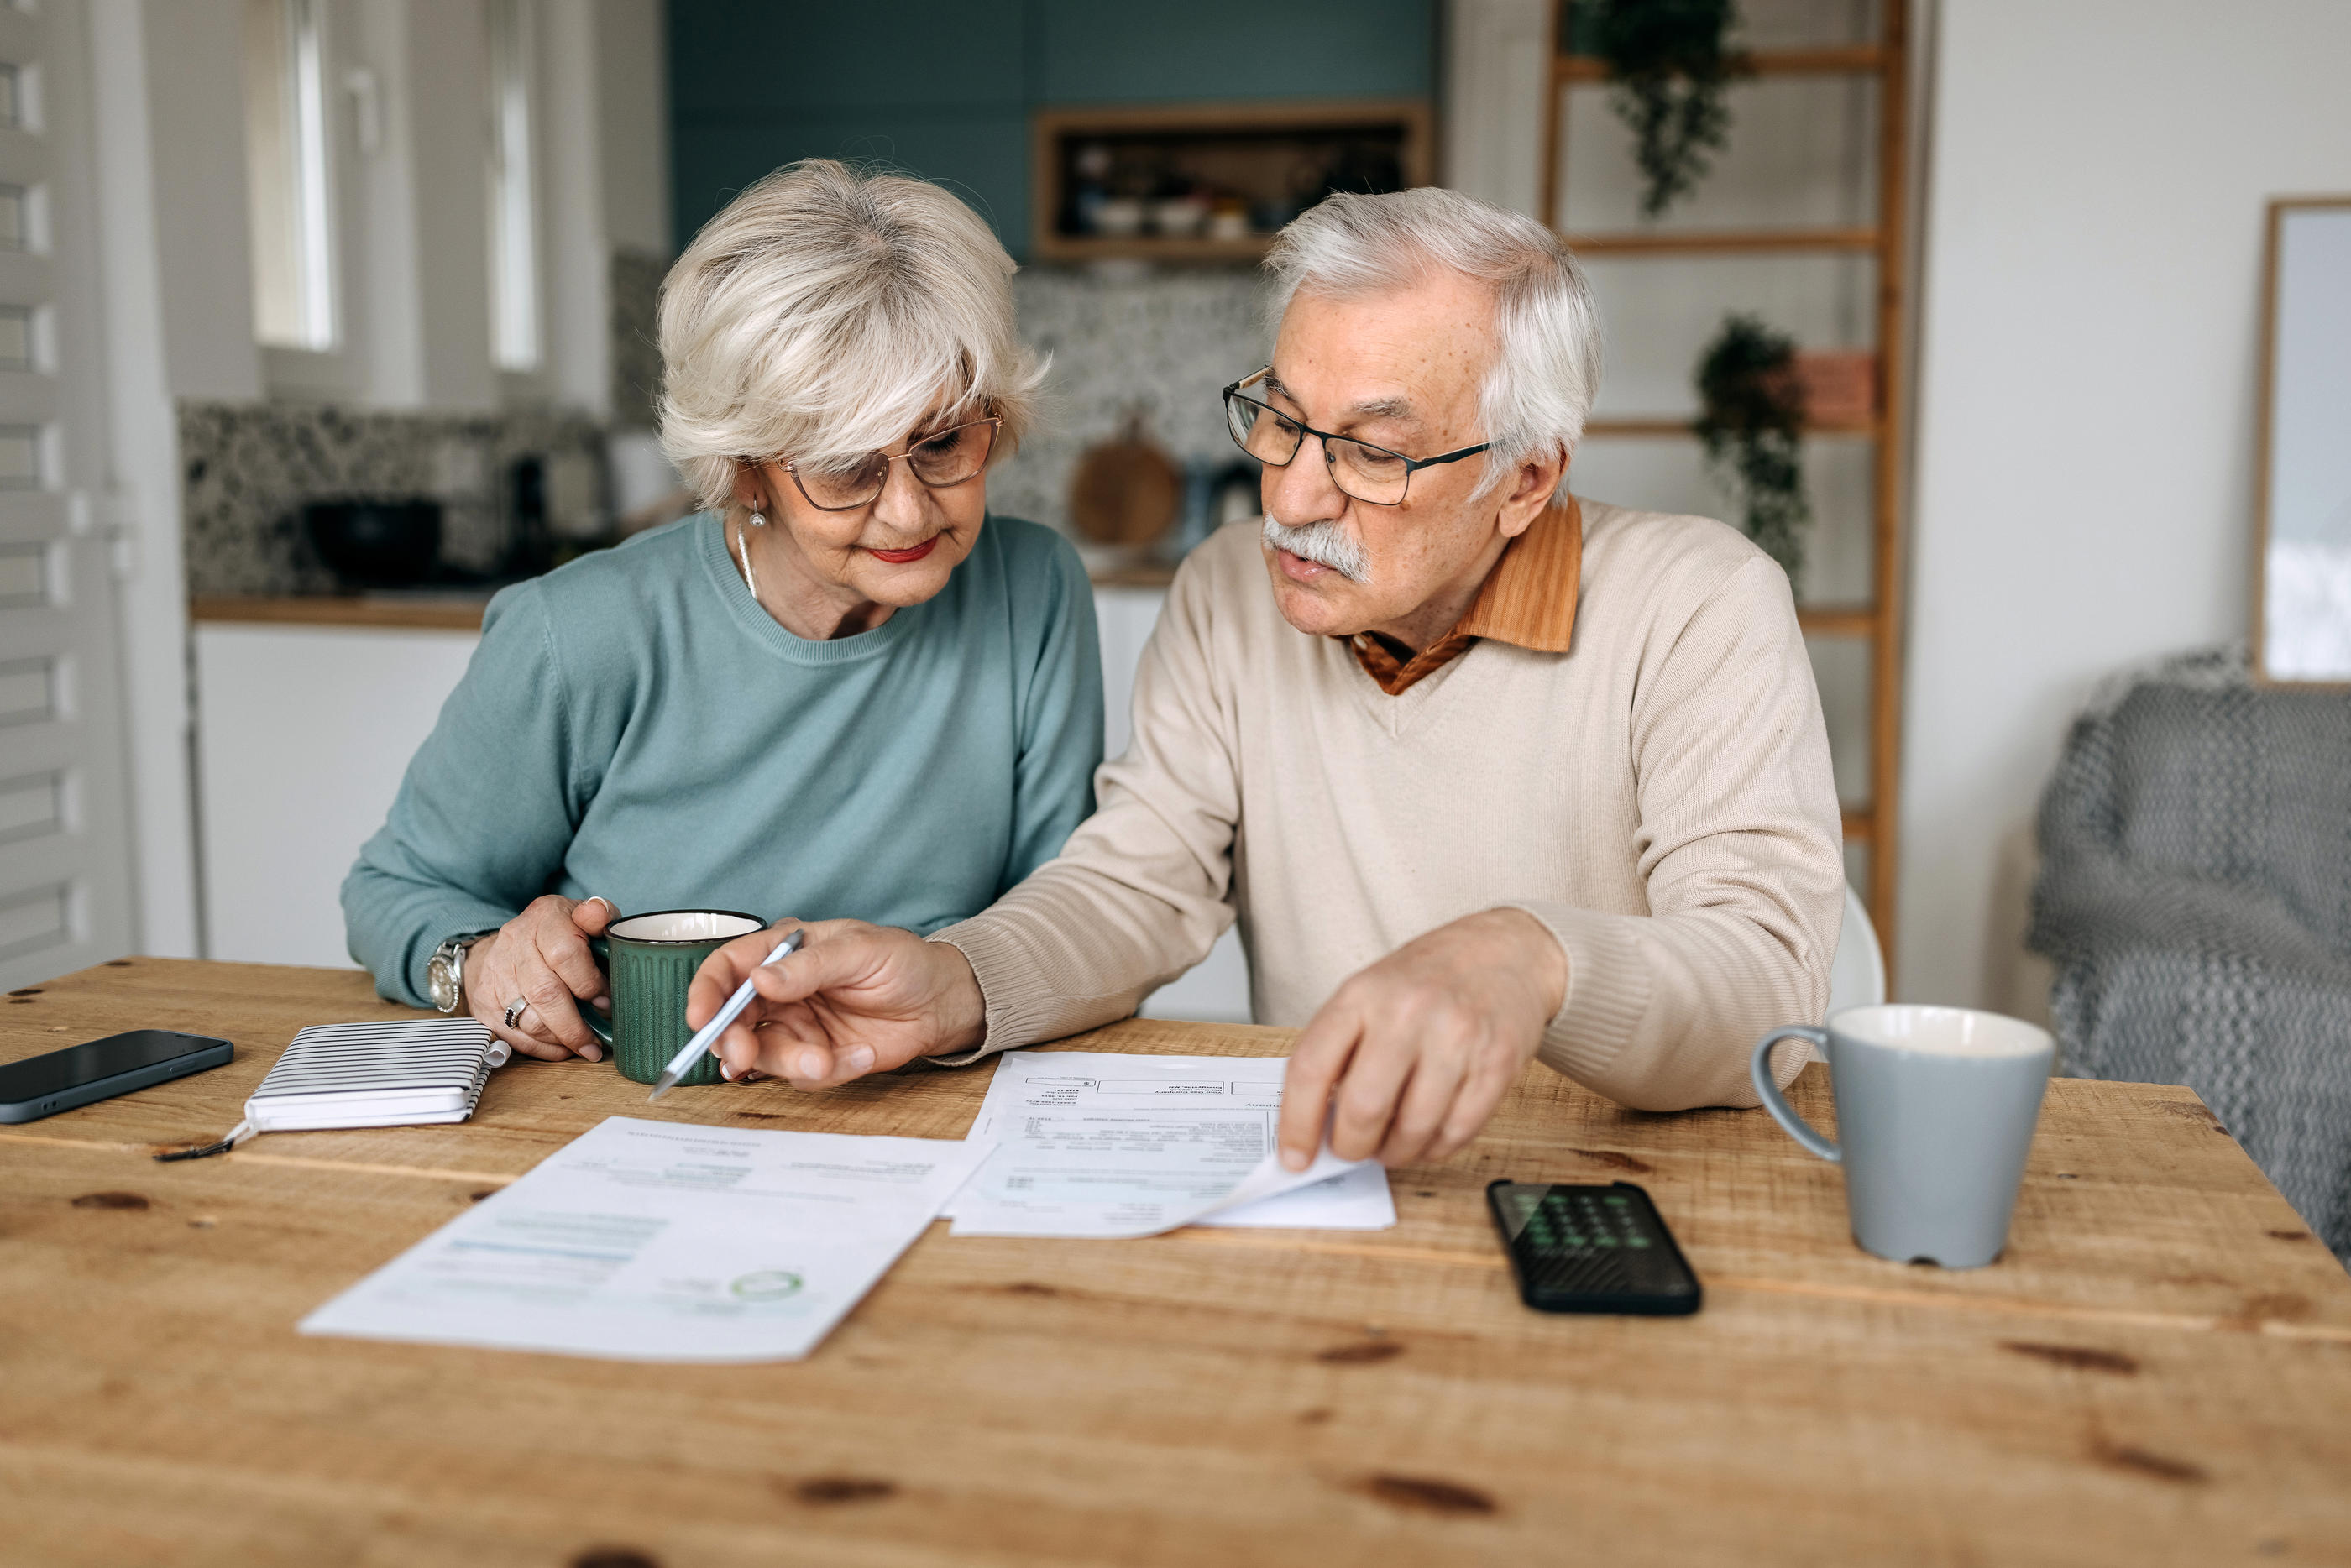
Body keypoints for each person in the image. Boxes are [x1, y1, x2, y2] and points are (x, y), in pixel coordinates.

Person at [689, 186, 1843, 1169]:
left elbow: (1769, 990)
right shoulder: (1229, 595)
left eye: (1376, 455)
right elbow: (1137, 888)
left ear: (1527, 480)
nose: (1289, 498)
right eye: (1282, 419)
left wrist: (1527, 956)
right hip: (1333, 1170)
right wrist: (951, 981)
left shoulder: (1699, 605)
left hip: (1627, 1179)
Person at [343, 159, 1102, 1061]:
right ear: (746, 467)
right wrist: (477, 963)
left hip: (919, 1099)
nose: (909, 509)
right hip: (627, 1113)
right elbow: (397, 887)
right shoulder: (580, 632)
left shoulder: (1034, 590)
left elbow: (1063, 920)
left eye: (942, 444)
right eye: (845, 463)